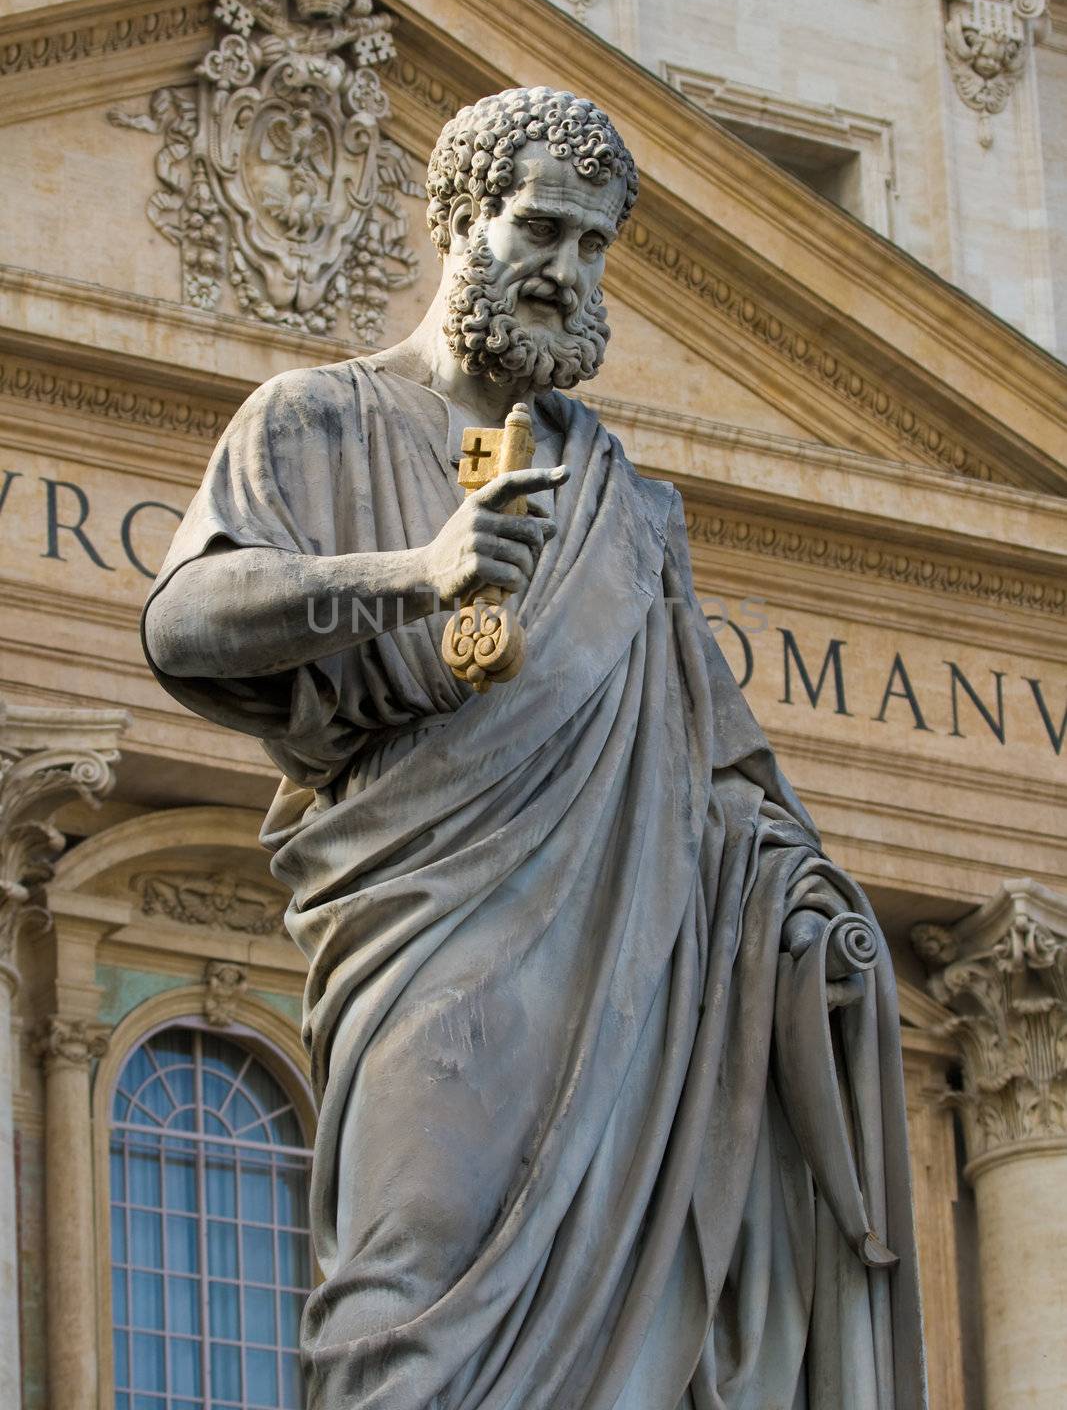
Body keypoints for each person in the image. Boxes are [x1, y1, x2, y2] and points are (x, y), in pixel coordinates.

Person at [143, 86, 925, 1409]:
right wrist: (414, 574)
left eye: (593, 246)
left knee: (628, 1336)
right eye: (541, 230)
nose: (566, 272)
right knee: (403, 1313)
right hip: (430, 948)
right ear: (457, 222)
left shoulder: (629, 511)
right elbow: (182, 621)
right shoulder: (312, 421)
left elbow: (719, 780)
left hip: (625, 987)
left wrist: (804, 919)